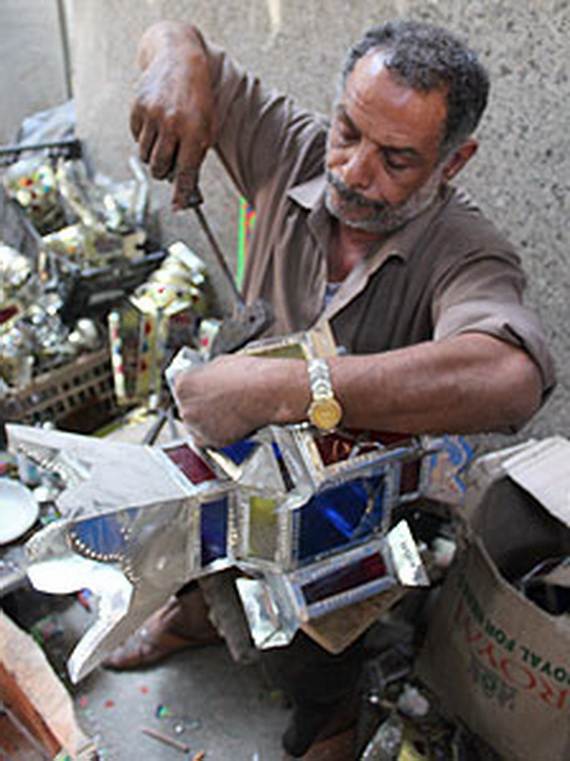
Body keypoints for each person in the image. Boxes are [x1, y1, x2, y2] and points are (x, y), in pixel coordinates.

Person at [105, 18, 555, 759]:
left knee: (318, 643)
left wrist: (287, 388)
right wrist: (173, 62)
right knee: (187, 530)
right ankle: (195, 617)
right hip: (231, 460)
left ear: (455, 160)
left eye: (396, 159)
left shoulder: (466, 252)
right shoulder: (292, 147)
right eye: (348, 131)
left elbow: (510, 378)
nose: (352, 171)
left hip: (344, 512)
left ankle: (332, 723)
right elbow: (176, 40)